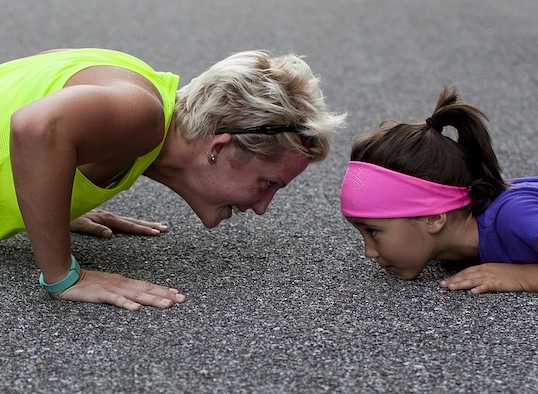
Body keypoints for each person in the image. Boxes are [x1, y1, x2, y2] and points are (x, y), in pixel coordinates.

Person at [1, 48, 346, 310]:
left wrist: (52, 208)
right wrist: (63, 275)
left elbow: (26, 89)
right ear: (220, 148)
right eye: (268, 184)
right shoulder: (142, 112)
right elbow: (35, 127)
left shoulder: (139, 95)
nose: (261, 207)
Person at [340, 86, 538, 297]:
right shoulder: (452, 239)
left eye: (373, 231)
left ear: (433, 217)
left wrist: (523, 277)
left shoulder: (515, 217)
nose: (369, 252)